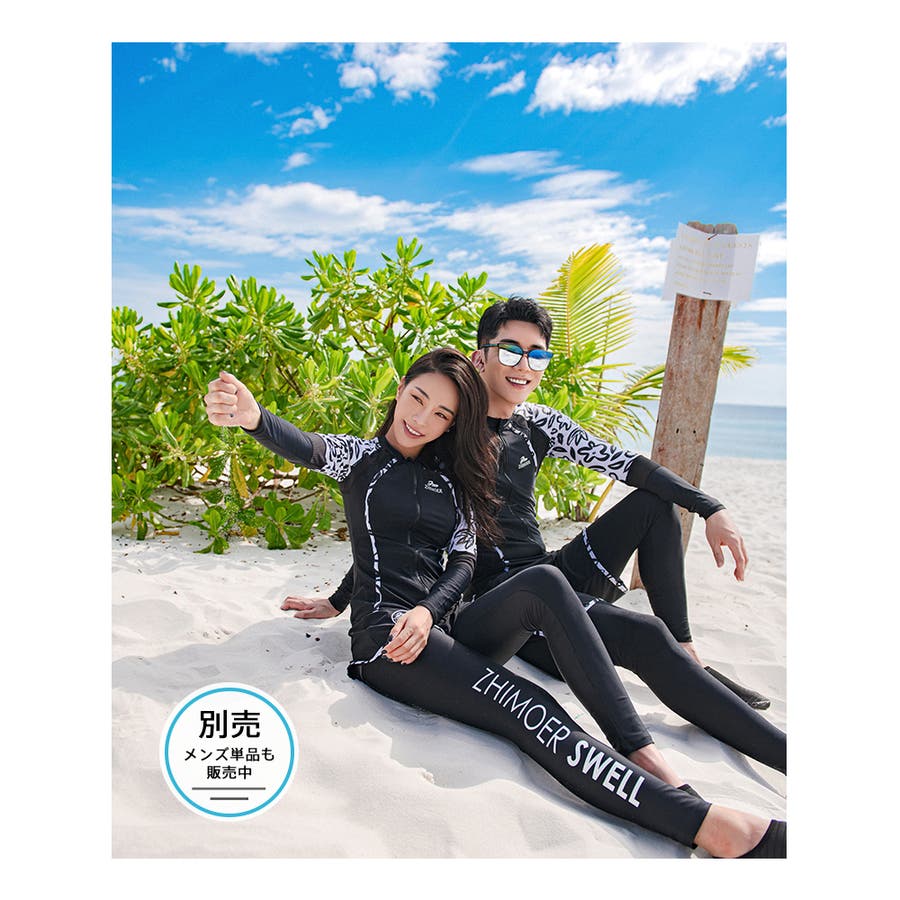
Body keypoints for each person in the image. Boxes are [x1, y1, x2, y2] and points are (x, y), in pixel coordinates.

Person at [204, 348, 785, 857]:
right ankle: (711, 826)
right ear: (401, 389)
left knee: (546, 584)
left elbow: (460, 563)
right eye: (418, 399)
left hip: (444, 626)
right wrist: (253, 419)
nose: (422, 418)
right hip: (387, 640)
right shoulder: (358, 458)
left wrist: (430, 611)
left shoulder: (453, 482)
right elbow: (304, 447)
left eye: (441, 414)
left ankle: (642, 753)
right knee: (533, 709)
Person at [303, 297, 771, 710]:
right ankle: (683, 677)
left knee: (655, 505)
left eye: (537, 354)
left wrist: (710, 507)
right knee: (636, 634)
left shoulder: (540, 423)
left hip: (552, 570)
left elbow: (626, 464)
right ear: (479, 357)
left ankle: (688, 654)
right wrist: (340, 600)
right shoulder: (443, 429)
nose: (523, 365)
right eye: (510, 350)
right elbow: (389, 524)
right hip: (507, 606)